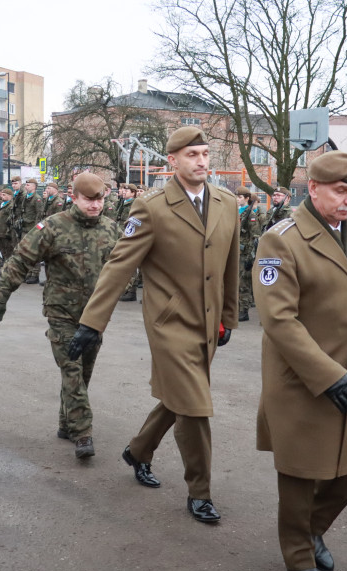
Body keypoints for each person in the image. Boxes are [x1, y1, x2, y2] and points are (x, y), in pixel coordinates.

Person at [67, 126, 240, 524]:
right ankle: (200, 491)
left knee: (179, 398)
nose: (201, 161)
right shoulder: (152, 206)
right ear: (174, 161)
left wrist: (228, 315)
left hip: (208, 323)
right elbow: (119, 266)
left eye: (204, 153)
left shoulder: (227, 202)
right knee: (195, 408)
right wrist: (92, 322)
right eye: (191, 154)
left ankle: (138, 451)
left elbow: (230, 264)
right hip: (170, 324)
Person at [252, 150, 347, 571]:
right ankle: (298, 555)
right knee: (301, 473)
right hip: (302, 381)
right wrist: (328, 377)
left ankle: (314, 530)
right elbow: (279, 321)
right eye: (341, 191)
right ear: (314, 188)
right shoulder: (281, 240)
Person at [0, 173, 121, 457]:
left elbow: (125, 268)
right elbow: (21, 260)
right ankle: (83, 433)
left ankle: (66, 423)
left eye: (99, 200)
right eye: (88, 200)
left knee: (82, 373)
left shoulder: (111, 229)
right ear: (74, 197)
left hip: (94, 317)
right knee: (71, 370)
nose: (95, 205)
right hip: (61, 314)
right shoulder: (53, 227)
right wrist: (0, 297)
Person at [236, 186, 263, 321]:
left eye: (240, 197)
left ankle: (243, 311)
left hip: (245, 253)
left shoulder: (250, 215)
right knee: (236, 282)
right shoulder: (237, 212)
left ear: (247, 198)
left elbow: (255, 236)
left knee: (243, 283)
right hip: (236, 252)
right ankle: (237, 308)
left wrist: (251, 257)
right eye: (237, 197)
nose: (237, 199)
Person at [20, 179, 43, 283]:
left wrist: (36, 230)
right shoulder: (26, 197)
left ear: (34, 187)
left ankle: (35, 274)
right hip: (25, 228)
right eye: (26, 185)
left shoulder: (37, 199)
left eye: (28, 185)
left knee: (34, 253)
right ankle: (28, 273)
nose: (26, 186)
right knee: (25, 252)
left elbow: (39, 215)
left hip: (32, 228)